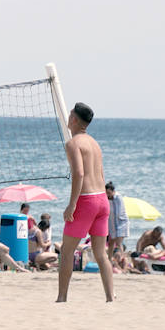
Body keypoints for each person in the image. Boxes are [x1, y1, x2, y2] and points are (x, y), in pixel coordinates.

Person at [56, 102, 113, 303]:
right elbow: (101, 173)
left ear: (73, 120)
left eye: (70, 114)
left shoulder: (73, 144)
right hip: (102, 200)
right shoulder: (94, 143)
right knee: (100, 253)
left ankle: (62, 298)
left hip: (87, 200)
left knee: (67, 251)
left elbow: (79, 174)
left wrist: (72, 204)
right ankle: (110, 297)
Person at [105, 181, 129, 258]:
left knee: (118, 243)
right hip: (111, 224)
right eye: (106, 193)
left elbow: (119, 212)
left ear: (113, 191)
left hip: (121, 224)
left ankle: (122, 259)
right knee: (111, 243)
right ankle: (109, 260)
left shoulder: (118, 197)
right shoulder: (106, 198)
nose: (108, 195)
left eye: (109, 193)